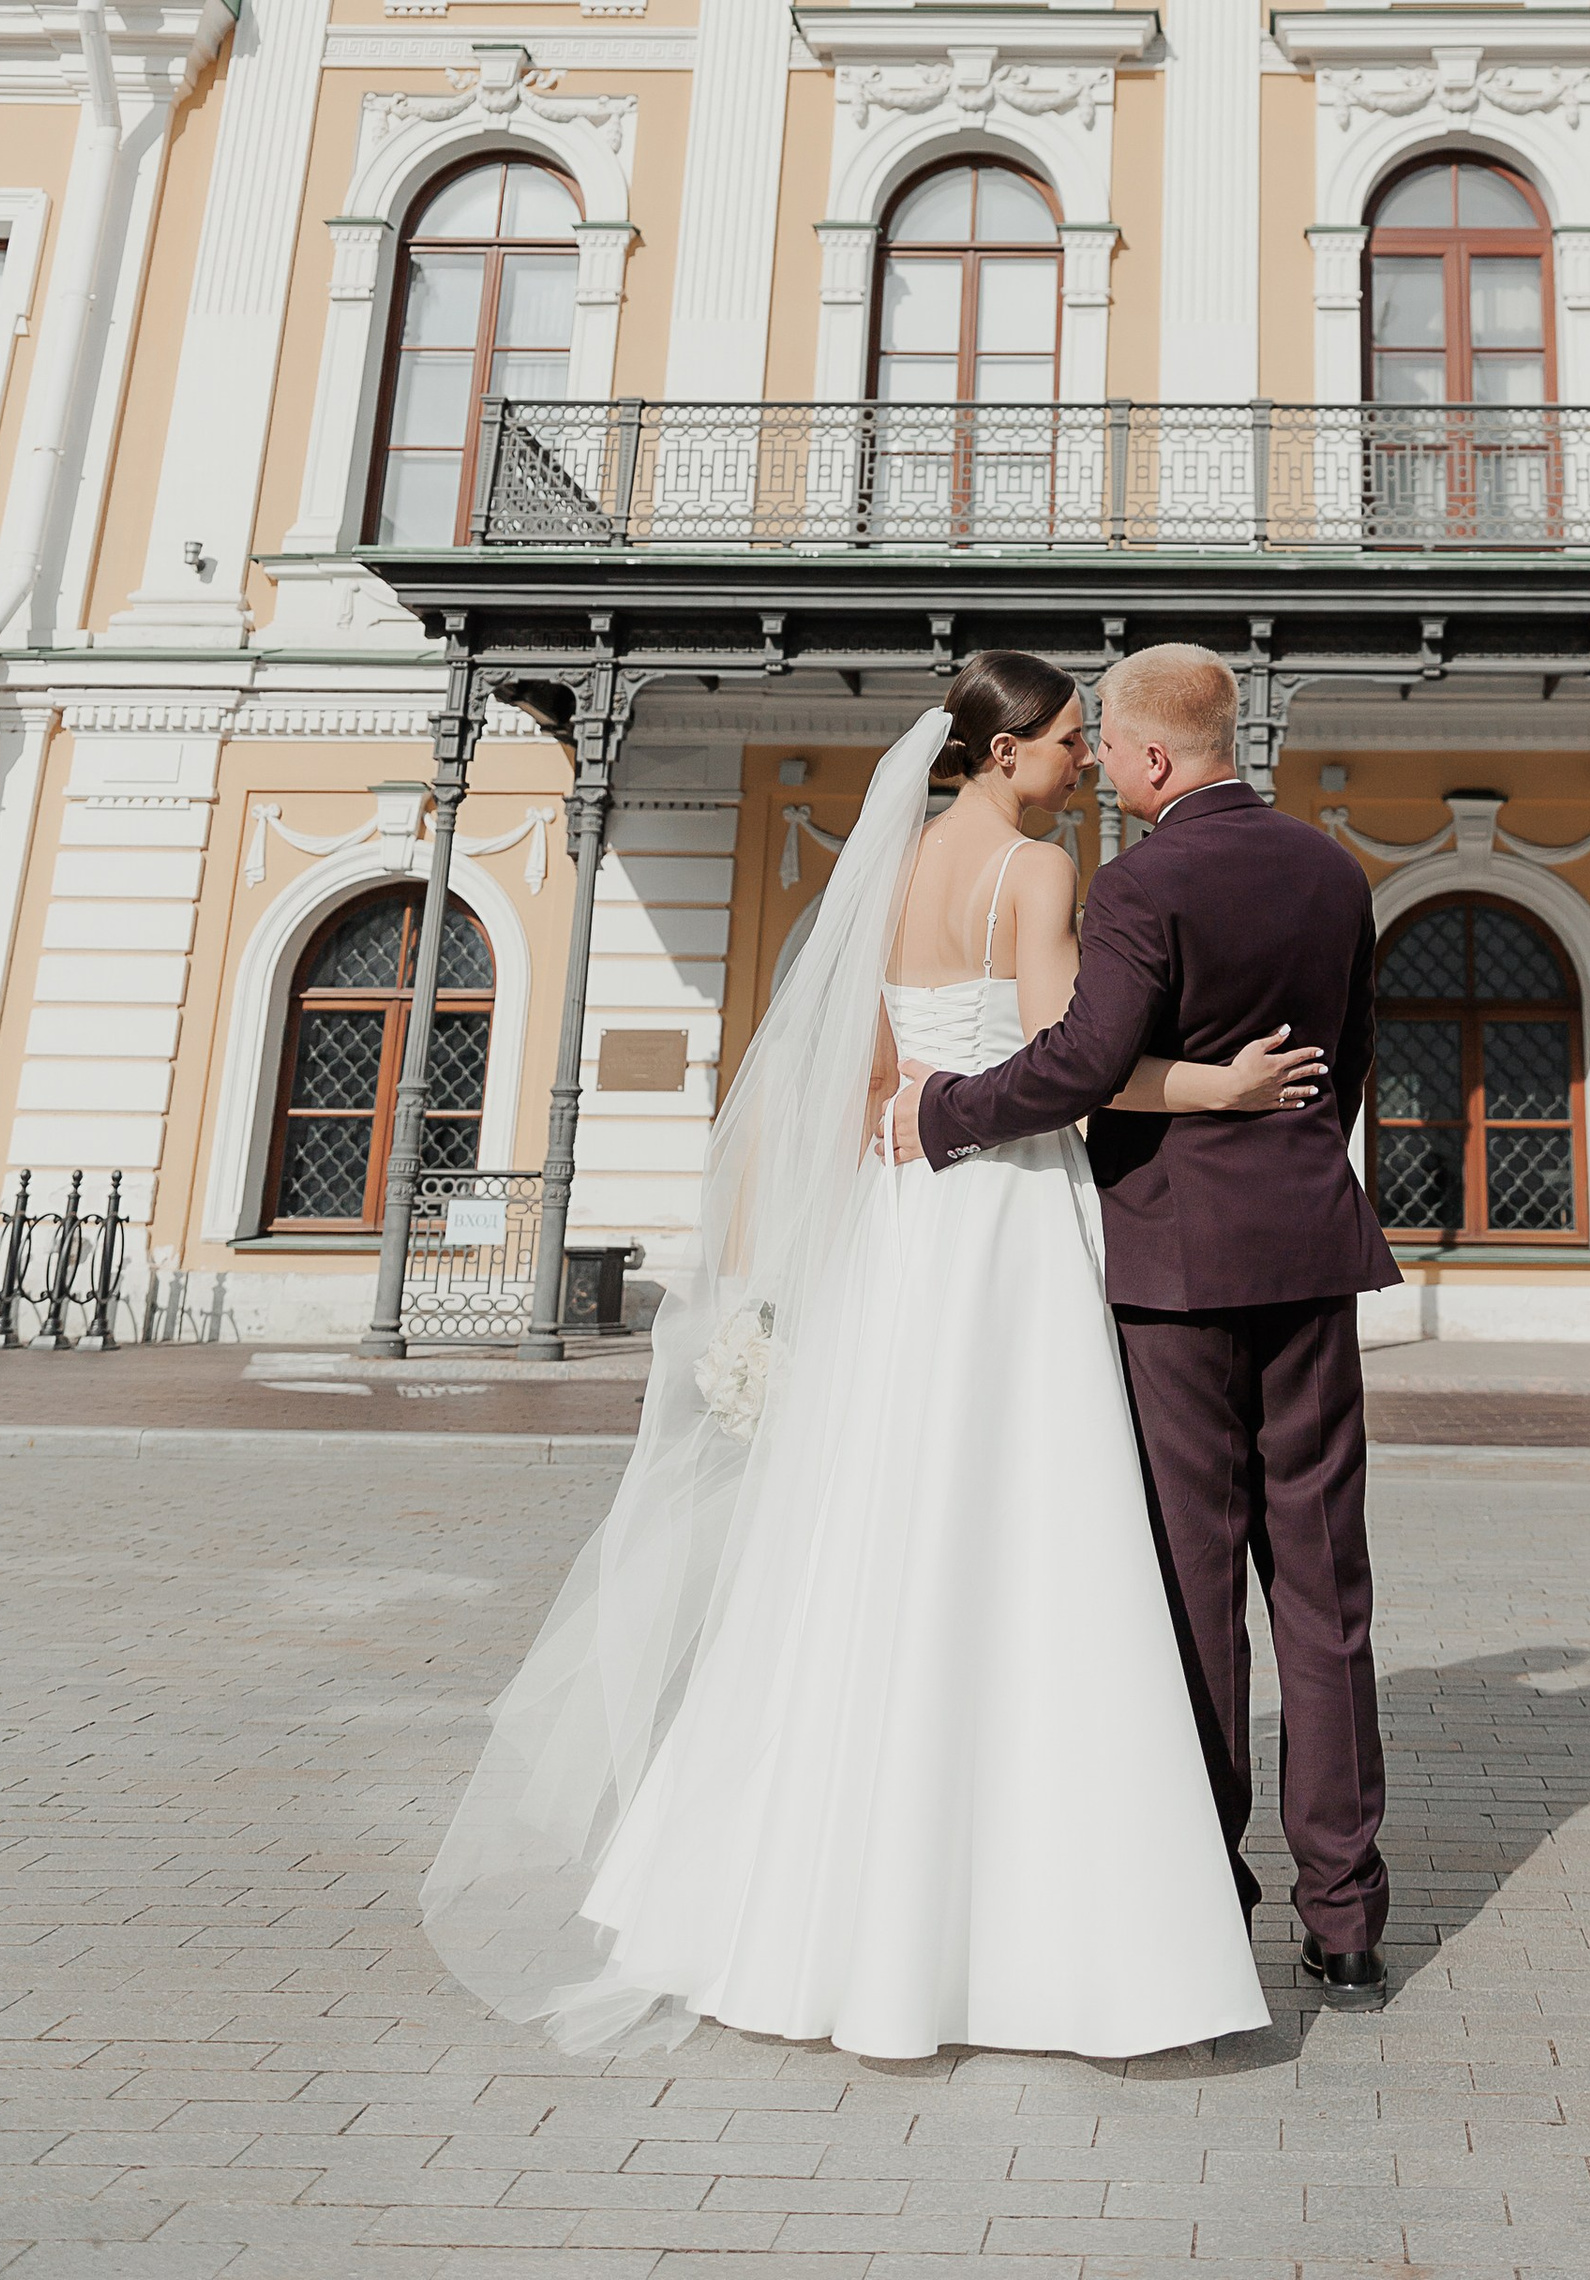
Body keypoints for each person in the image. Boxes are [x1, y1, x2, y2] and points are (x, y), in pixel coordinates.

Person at [423, 650, 1326, 2062]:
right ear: (1009, 751)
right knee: (1031, 1525)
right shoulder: (1033, 878)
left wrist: (874, 1182)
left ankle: (802, 1902)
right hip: (1009, 1215)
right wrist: (1220, 1083)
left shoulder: (889, 862)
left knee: (878, 1526)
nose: (1088, 761)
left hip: (908, 1224)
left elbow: (855, 1083)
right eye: (1073, 741)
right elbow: (1072, 1063)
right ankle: (1034, 1918)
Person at [896, 641, 1400, 1989]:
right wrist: (1290, 1169)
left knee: (1196, 1584)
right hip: (1308, 1250)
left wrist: (943, 1113)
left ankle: (1209, 1896)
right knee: (1325, 1592)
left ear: (1158, 755)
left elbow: (1081, 1063)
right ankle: (1347, 1922)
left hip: (1175, 1269)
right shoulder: (1334, 871)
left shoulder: (1138, 882)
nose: (1101, 770)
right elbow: (1344, 1063)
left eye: (1109, 746)